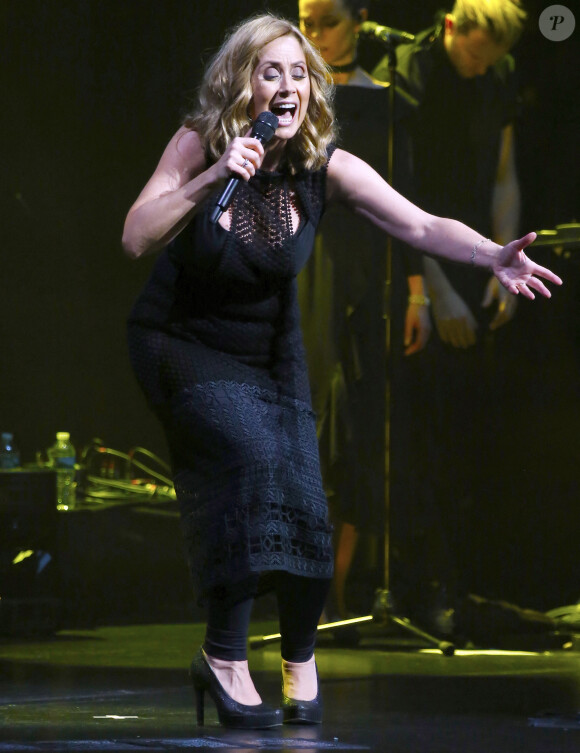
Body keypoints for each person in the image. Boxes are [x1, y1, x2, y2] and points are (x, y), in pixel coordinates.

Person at [122, 13, 560, 729]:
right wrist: (210, 179)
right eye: (272, 73)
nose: (289, 85)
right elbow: (137, 235)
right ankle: (224, 655)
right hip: (182, 339)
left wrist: (490, 255)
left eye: (299, 73)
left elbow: (418, 224)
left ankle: (298, 655)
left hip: (269, 347)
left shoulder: (325, 166)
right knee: (249, 459)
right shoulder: (202, 142)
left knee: (305, 500)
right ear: (242, 85)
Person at [372, 1, 532, 628]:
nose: (478, 69)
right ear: (449, 29)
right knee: (417, 433)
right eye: (472, 54)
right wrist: (434, 292)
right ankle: (419, 588)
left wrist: (507, 262)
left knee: (467, 431)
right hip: (415, 262)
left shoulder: (499, 76)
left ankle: (459, 588)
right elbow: (397, 196)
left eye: (489, 60)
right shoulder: (408, 71)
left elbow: (503, 175)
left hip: (477, 258)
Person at [297, 0, 431, 620]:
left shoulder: (383, 102)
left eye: (326, 20)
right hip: (304, 270)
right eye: (305, 19)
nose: (313, 33)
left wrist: (416, 291)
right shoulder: (286, 93)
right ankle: (300, 583)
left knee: (353, 428)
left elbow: (404, 203)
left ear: (359, 20)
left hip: (362, 276)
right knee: (304, 420)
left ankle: (338, 586)